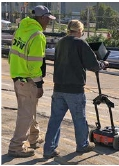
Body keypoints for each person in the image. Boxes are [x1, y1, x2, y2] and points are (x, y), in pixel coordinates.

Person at [43, 20, 109, 159]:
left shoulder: (60, 43)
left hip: (59, 87)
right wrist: (103, 64)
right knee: (79, 118)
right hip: (74, 89)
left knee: (55, 119)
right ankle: (82, 145)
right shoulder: (80, 43)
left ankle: (49, 149)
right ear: (80, 30)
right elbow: (93, 64)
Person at [8, 5, 56, 157]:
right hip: (27, 79)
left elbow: (12, 54)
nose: (48, 21)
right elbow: (35, 63)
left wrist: (17, 73)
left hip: (17, 76)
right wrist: (39, 84)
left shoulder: (21, 29)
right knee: (26, 114)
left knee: (30, 110)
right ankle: (16, 146)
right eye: (48, 18)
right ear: (41, 18)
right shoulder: (37, 35)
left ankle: (34, 137)